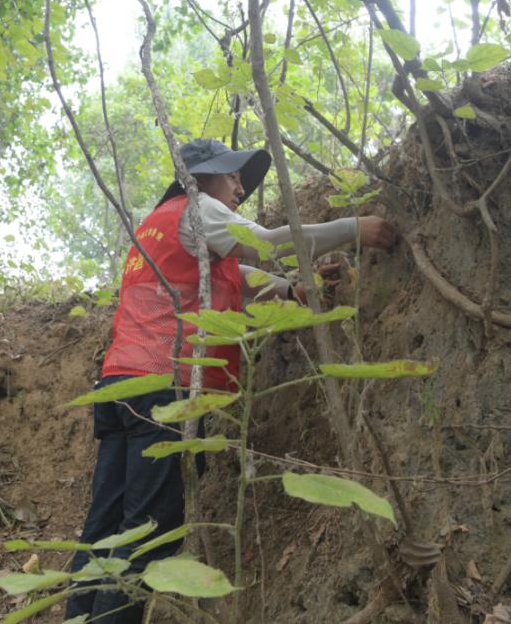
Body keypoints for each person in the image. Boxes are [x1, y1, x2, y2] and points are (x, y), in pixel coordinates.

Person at [64, 138, 397, 623]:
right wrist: (353, 228)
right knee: (145, 533)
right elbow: (267, 242)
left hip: (121, 384)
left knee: (105, 528)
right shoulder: (199, 206)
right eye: (232, 174)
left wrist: (290, 289)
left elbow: (230, 274)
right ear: (200, 177)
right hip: (167, 389)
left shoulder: (155, 226)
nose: (240, 184)